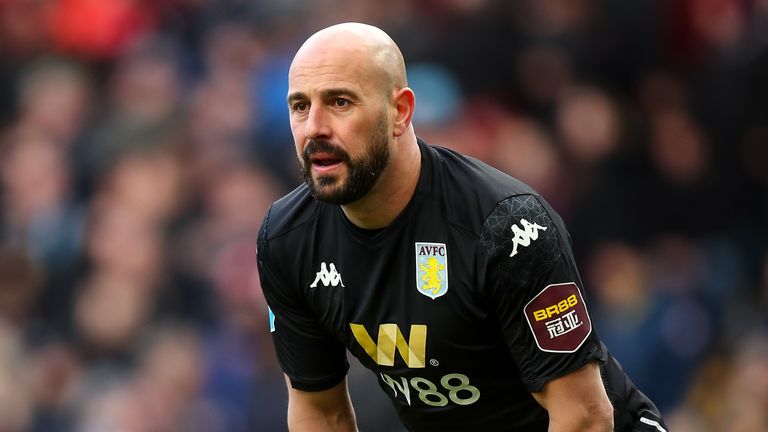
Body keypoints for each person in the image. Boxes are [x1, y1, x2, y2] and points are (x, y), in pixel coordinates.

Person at [257, 22, 667, 432]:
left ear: (399, 111)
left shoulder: (508, 228)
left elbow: (585, 416)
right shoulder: (287, 240)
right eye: (299, 106)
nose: (314, 127)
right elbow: (320, 413)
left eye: (340, 102)